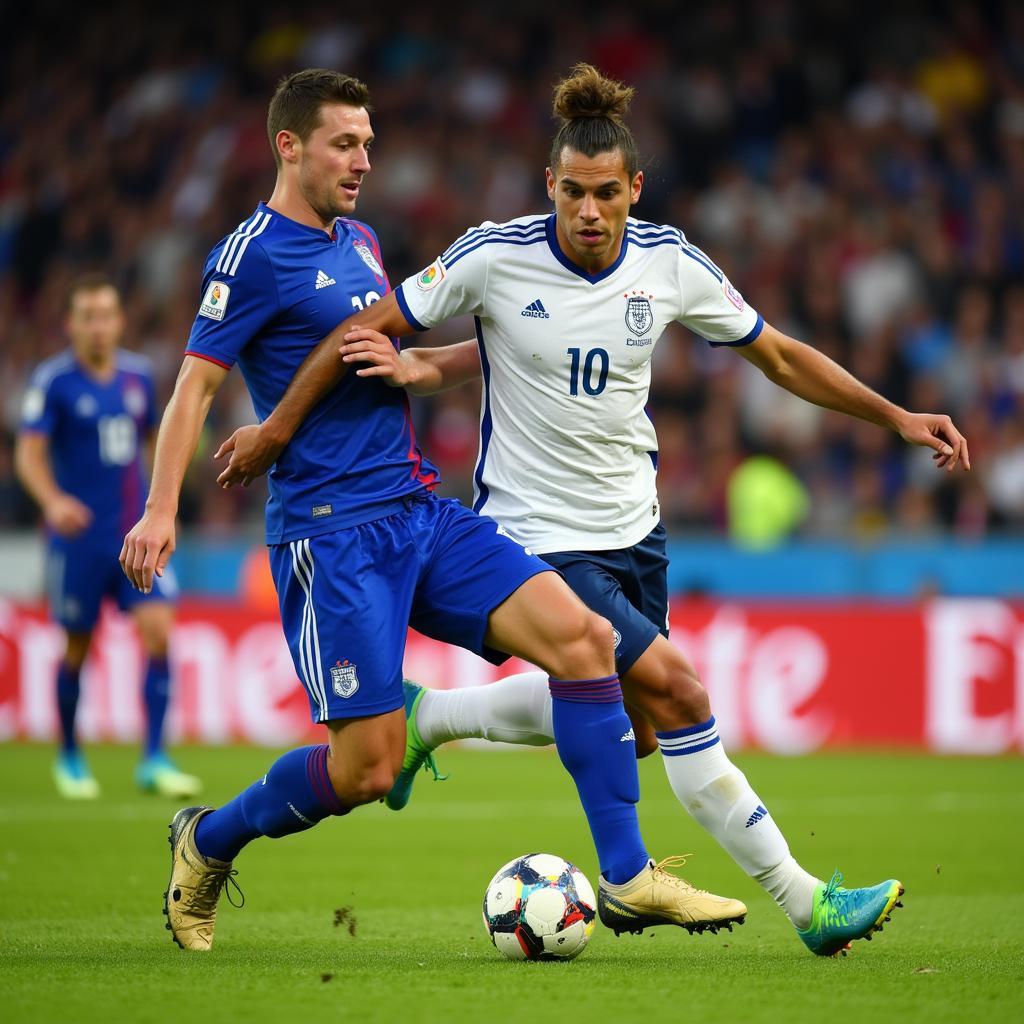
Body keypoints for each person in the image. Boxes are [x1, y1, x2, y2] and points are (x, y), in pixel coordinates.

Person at [216, 64, 972, 958]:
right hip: (539, 537)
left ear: (634, 191)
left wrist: (894, 415)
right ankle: (807, 904)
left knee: (639, 726)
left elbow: (779, 357)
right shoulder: (492, 254)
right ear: (550, 186)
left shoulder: (670, 263)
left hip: (635, 532)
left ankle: (434, 720)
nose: (587, 210)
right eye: (572, 191)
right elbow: (374, 331)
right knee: (681, 689)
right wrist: (299, 419)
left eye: (606, 194)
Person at [120, 68, 745, 953]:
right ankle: (208, 838)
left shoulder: (363, 240)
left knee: (585, 641)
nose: (364, 160)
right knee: (366, 769)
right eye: (345, 142)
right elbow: (193, 385)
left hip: (417, 510)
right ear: (287, 146)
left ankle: (627, 876)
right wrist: (159, 509)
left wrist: (445, 363)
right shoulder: (250, 254)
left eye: (369, 143)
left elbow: (433, 347)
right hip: (330, 536)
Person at [15, 273, 200, 801]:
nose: (99, 327)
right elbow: (28, 453)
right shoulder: (53, 382)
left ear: (120, 321)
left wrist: (163, 508)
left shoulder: (138, 377)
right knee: (77, 646)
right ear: (71, 324)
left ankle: (155, 759)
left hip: (134, 535)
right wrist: (53, 502)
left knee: (160, 632)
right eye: (88, 316)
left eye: (107, 316)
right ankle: (70, 756)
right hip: (79, 541)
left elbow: (153, 446)